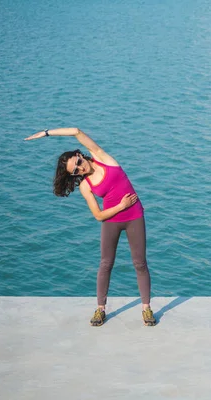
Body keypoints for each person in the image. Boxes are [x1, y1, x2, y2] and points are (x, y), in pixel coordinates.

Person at [24, 127, 156, 327]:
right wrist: (121, 206)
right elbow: (97, 215)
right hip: (111, 222)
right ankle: (100, 309)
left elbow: (76, 131)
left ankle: (146, 309)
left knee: (140, 263)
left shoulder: (103, 157)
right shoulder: (85, 185)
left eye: (78, 163)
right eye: (75, 171)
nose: (80, 169)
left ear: (80, 155)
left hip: (135, 217)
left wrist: (47, 133)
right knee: (105, 264)